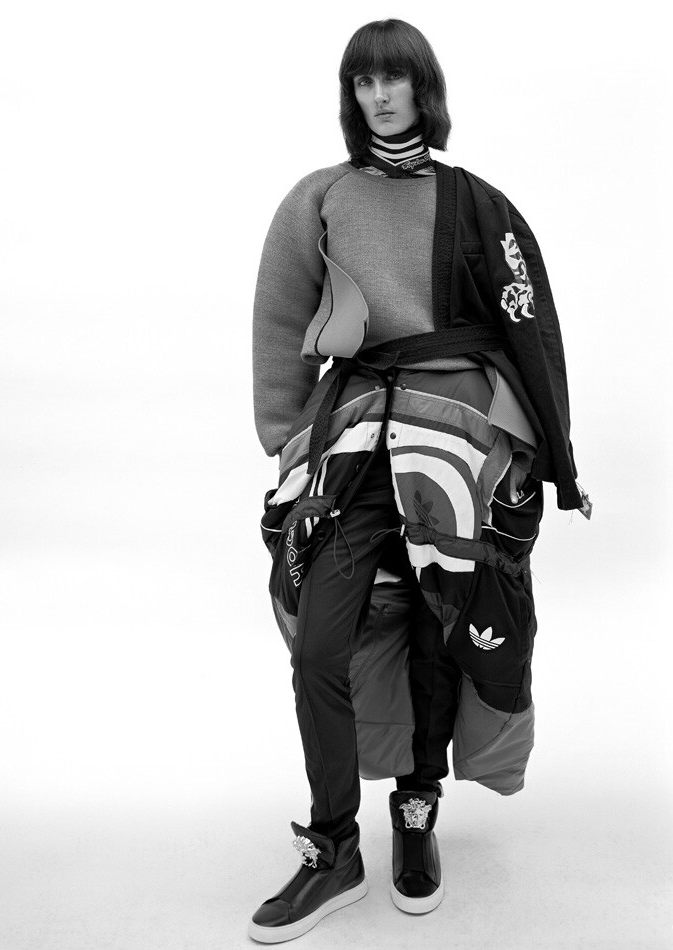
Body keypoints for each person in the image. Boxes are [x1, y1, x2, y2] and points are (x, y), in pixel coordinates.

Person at [248, 17, 590, 944]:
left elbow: (529, 329)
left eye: (393, 79)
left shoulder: (476, 202)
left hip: (455, 442)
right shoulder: (319, 197)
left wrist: (547, 456)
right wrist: (286, 438)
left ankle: (416, 808)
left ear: (422, 88)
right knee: (320, 643)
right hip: (355, 437)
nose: (378, 96)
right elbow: (281, 321)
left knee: (441, 626)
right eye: (362, 82)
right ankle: (333, 845)